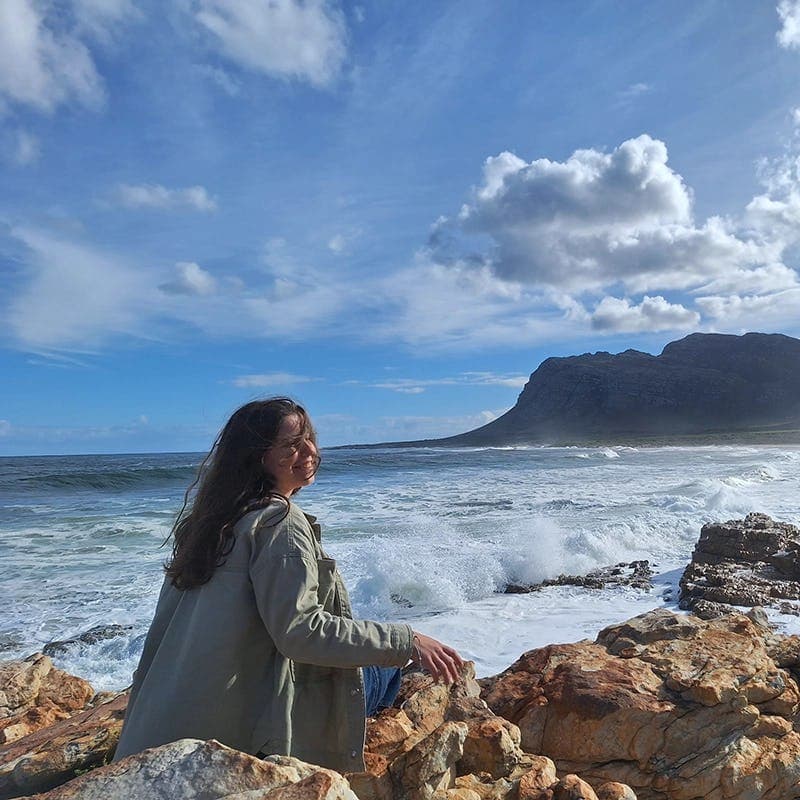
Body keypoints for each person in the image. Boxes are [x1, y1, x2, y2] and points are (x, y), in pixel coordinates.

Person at [114, 398, 463, 772]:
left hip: (156, 733)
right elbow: (302, 633)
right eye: (292, 444)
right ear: (257, 456)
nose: (310, 451)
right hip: (228, 742)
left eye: (310, 438)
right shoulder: (278, 523)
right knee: (390, 671)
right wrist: (407, 641)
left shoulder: (208, 522)